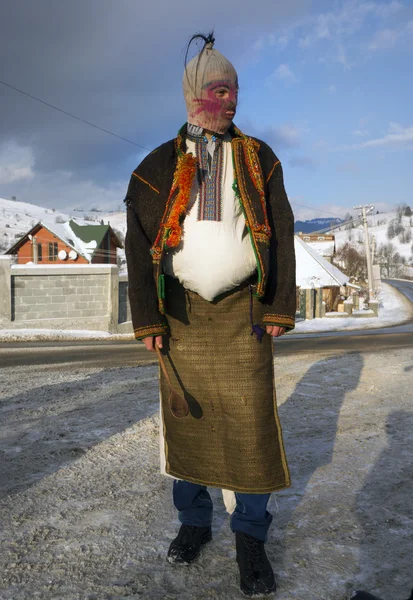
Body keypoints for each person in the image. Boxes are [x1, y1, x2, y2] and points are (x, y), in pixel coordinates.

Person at [124, 32, 296, 597]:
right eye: (218, 92)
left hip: (244, 313)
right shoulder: (156, 165)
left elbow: (285, 233)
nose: (229, 103)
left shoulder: (259, 158)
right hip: (181, 317)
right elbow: (137, 240)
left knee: (249, 427)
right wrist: (147, 319)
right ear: (193, 95)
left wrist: (277, 307)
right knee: (188, 424)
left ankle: (250, 539)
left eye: (234, 92)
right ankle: (194, 524)